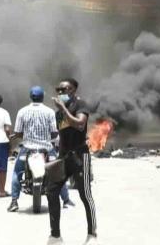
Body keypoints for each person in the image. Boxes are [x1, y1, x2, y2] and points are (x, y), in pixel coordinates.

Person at [47, 78, 98, 245]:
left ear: (74, 90)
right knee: (52, 191)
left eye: (65, 89)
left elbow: (80, 125)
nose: (61, 93)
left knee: (85, 195)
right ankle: (55, 236)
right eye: (58, 89)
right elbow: (62, 135)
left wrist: (63, 109)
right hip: (64, 156)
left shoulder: (80, 105)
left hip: (79, 156)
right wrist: (59, 157)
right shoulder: (58, 113)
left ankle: (92, 234)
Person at [8, 86, 73, 212]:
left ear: (30, 97)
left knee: (17, 172)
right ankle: (66, 200)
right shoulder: (49, 112)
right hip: (47, 148)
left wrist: (25, 135)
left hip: (27, 148)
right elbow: (54, 133)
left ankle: (14, 202)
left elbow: (18, 132)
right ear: (42, 97)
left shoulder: (22, 111)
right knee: (59, 173)